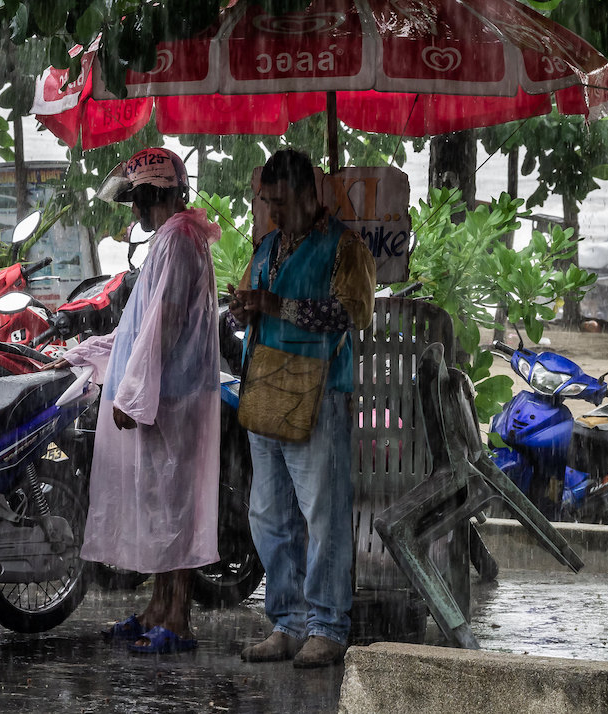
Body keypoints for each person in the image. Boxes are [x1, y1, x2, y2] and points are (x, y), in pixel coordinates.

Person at [44, 147, 221, 654]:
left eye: (137, 198)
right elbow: (133, 330)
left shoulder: (178, 242)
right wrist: (83, 353)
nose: (134, 210)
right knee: (160, 503)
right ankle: (158, 609)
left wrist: (133, 394)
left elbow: (160, 326)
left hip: (174, 397)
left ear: (151, 195)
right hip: (167, 396)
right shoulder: (174, 239)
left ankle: (179, 618)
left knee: (176, 505)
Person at [229, 149, 375, 668]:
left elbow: (351, 312)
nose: (271, 213)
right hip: (266, 390)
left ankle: (328, 627)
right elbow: (249, 310)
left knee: (323, 514)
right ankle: (287, 623)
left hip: (320, 394)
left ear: (309, 196)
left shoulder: (345, 248)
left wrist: (274, 305)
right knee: (269, 515)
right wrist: (242, 307)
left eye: (281, 202)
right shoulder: (266, 245)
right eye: (267, 202)